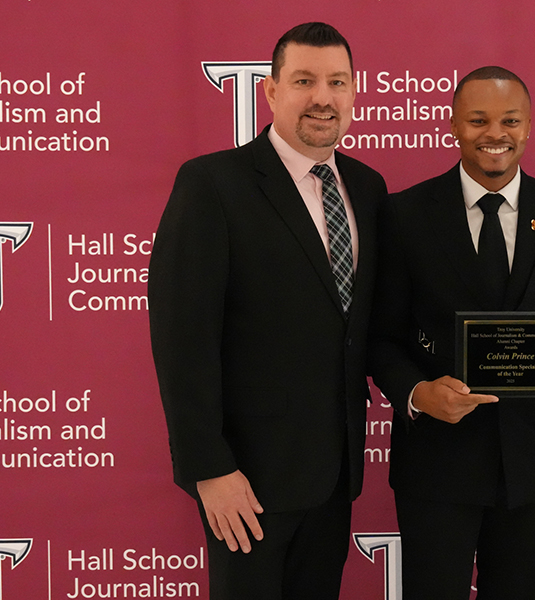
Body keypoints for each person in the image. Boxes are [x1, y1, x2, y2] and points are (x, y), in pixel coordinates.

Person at [148, 22, 386, 600]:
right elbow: (183, 338)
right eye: (304, 80)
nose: (322, 98)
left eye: (337, 82)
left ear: (353, 93)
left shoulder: (368, 187)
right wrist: (209, 469)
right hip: (245, 485)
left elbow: (361, 327)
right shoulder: (213, 184)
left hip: (334, 479)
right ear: (272, 92)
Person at [369, 66, 535, 600]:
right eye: (478, 119)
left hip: (530, 468)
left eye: (509, 120)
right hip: (436, 466)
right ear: (453, 124)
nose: (494, 133)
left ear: (528, 128)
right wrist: (417, 393)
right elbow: (380, 338)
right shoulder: (405, 214)